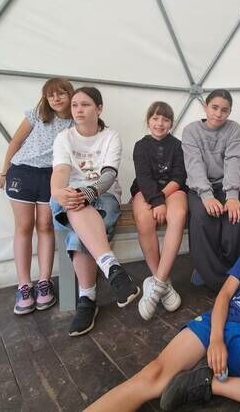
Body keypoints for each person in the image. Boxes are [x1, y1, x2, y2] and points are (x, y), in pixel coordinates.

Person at [86, 210, 240, 412]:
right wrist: (216, 339)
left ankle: (207, 383)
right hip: (216, 323)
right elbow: (224, 296)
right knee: (153, 376)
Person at [50, 86, 140, 336]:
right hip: (71, 195)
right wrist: (58, 192)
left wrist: (89, 193)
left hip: (103, 193)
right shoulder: (64, 138)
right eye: (75, 105)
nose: (78, 110)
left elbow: (109, 175)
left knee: (81, 228)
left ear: (99, 109)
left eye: (85, 104)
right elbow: (60, 173)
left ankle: (87, 299)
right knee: (74, 206)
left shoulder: (110, 136)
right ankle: (112, 269)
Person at [0, 77, 74, 315]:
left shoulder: (75, 121)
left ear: (70, 95)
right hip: (22, 171)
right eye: (51, 95)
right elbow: (16, 141)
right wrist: (4, 171)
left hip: (52, 176)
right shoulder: (37, 114)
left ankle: (44, 282)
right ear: (45, 98)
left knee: (45, 225)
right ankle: (24, 285)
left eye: (61, 93)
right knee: (24, 226)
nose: (56, 98)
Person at [181, 89, 240, 292]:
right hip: (200, 187)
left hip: (229, 185)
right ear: (205, 107)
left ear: (229, 112)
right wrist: (206, 196)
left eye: (224, 110)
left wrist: (232, 196)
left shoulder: (233, 129)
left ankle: (235, 272)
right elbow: (194, 164)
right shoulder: (191, 130)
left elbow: (235, 161)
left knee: (235, 216)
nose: (218, 113)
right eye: (214, 107)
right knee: (202, 217)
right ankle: (210, 275)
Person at [130, 101, 188, 320]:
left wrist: (161, 198)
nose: (160, 123)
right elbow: (144, 178)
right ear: (148, 121)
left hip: (172, 190)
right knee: (144, 218)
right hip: (145, 191)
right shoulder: (140, 146)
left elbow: (179, 176)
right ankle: (161, 281)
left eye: (165, 119)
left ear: (171, 123)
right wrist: (155, 201)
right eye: (155, 118)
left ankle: (157, 284)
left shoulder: (178, 146)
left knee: (179, 215)